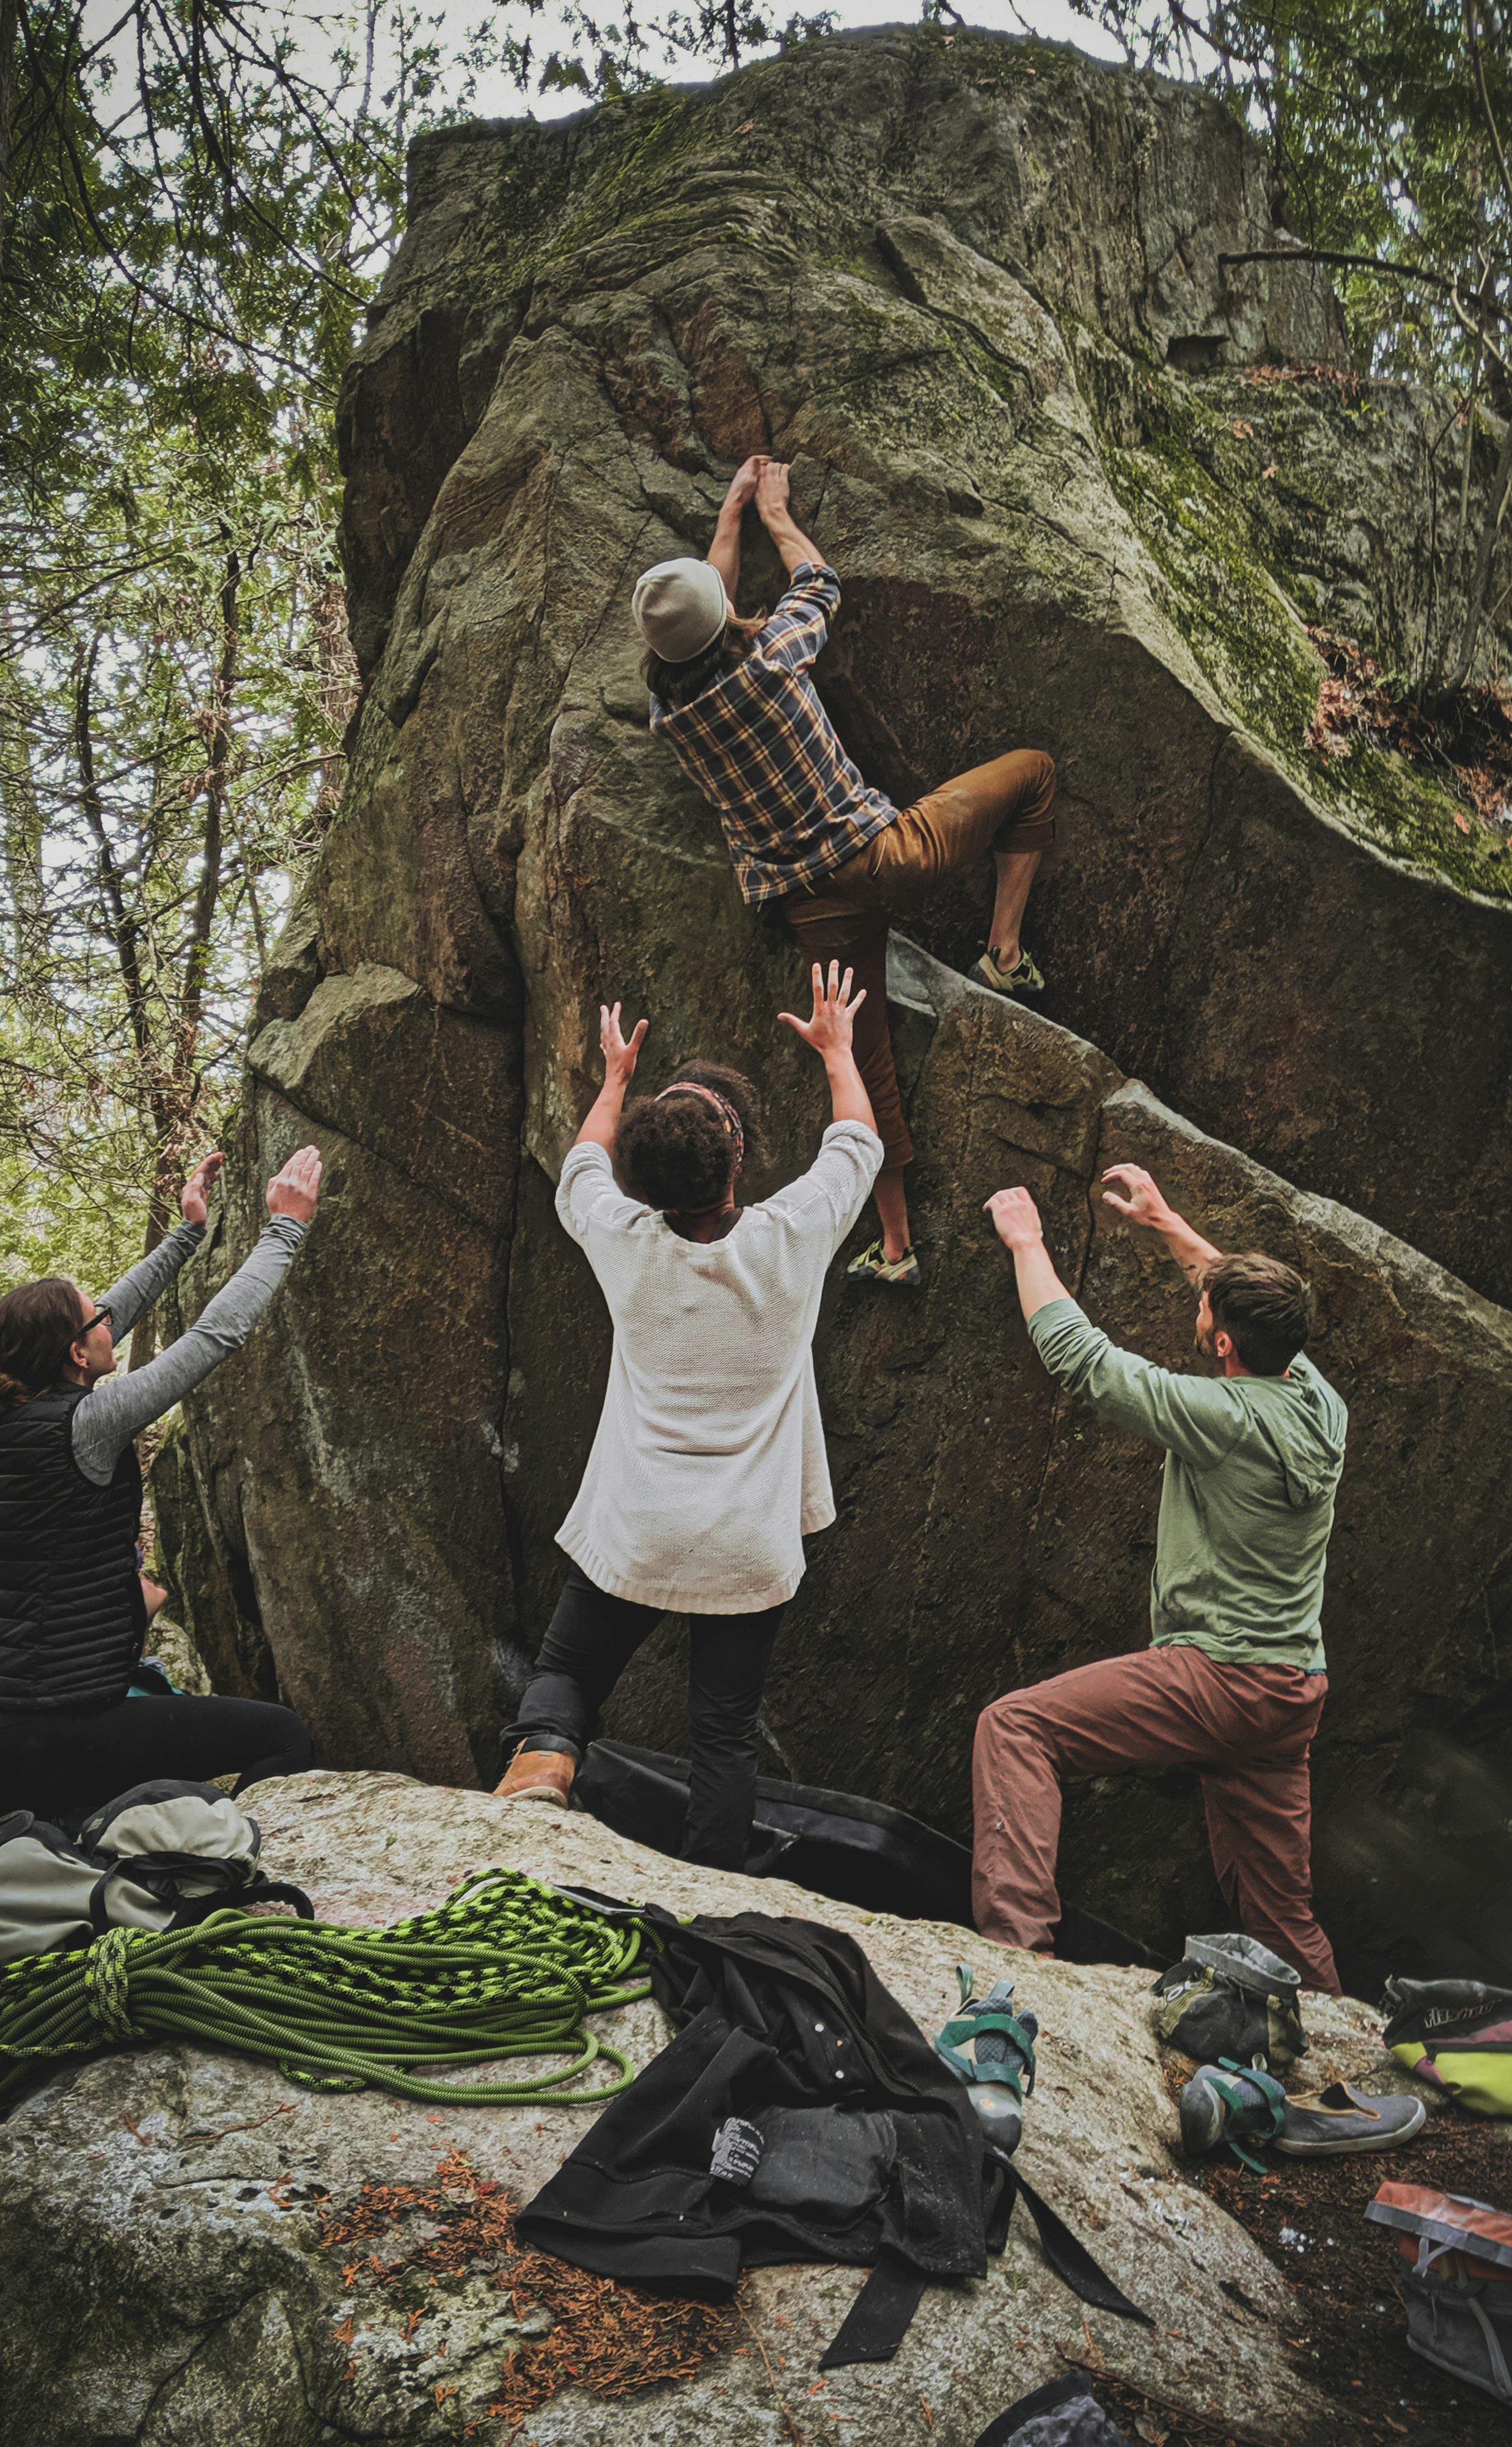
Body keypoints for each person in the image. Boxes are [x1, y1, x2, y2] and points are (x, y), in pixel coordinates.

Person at [634, 454, 1057, 1289]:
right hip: (885, 857)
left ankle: (897, 1249)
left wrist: (728, 519)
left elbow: (705, 623)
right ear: (726, 621)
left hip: (810, 907)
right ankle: (1003, 956)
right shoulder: (774, 658)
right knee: (1035, 772)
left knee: (864, 1070)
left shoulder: (672, 717)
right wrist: (775, 516)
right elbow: (819, 583)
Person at [494, 961, 882, 1871]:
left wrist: (616, 1077)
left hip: (638, 1529)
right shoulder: (791, 1238)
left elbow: (582, 1164)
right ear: (737, 1160)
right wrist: (837, 1049)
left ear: (643, 1183)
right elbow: (857, 1143)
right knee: (723, 1736)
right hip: (746, 1543)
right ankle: (714, 1893)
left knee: (569, 1675)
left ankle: (544, 1764)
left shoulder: (621, 1241)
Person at [974, 1162, 1348, 1994]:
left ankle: (1018, 1965)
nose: (1200, 1303)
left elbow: (1086, 1362)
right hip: (1289, 1692)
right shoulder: (1321, 1404)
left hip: (1216, 1677)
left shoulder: (1222, 1416)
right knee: (1284, 1921)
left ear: (1221, 1343)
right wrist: (1169, 1222)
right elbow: (1249, 1312)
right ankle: (1339, 2059)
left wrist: (1026, 1244)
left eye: (1207, 1306)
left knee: (1015, 1730)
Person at [0, 1146, 323, 1814]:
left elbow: (108, 1310)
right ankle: (210, 1879)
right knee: (283, 1736)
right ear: (74, 1352)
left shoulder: (20, 1408)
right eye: (98, 1322)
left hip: (14, 1722)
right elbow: (212, 1337)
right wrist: (286, 1227)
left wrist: (189, 1233)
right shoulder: (87, 1423)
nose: (110, 1322)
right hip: (65, 1731)